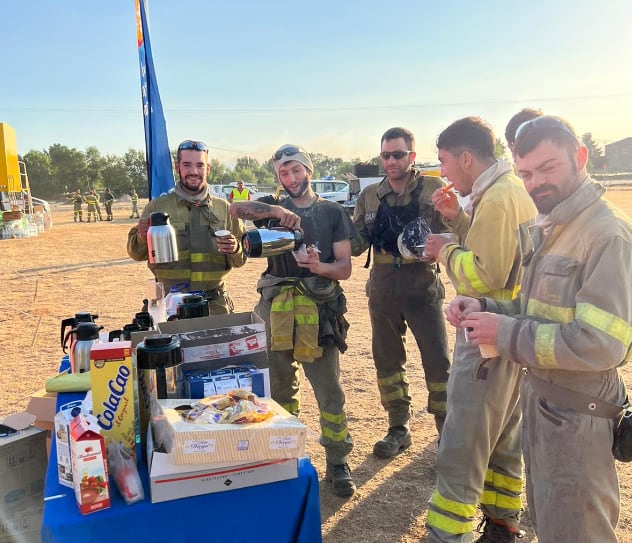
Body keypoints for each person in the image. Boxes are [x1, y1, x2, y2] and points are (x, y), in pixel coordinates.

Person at [454, 115, 632, 543]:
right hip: (547, 408)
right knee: (551, 525)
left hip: (579, 415)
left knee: (577, 532)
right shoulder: (555, 226)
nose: (537, 183)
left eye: (548, 167)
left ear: (581, 157)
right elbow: (537, 310)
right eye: (527, 173)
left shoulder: (606, 234)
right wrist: (487, 307)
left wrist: (506, 334)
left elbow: (602, 344)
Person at [423, 117, 536, 543]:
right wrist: (458, 221)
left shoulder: (497, 197)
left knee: (462, 447)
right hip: (512, 331)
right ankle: (504, 525)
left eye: (445, 162)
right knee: (505, 438)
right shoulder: (509, 191)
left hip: (486, 335)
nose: (445, 173)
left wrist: (445, 248)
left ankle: (448, 535)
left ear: (467, 158)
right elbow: (501, 255)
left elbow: (484, 275)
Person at [229, 144, 357, 497]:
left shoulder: (331, 211)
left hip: (319, 309)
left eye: (296, 170)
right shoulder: (273, 208)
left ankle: (337, 461)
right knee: (279, 388)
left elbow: (344, 267)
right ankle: (287, 455)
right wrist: (271, 209)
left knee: (328, 390)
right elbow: (234, 208)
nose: (291, 178)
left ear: (308, 171)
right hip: (276, 309)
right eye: (284, 173)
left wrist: (319, 266)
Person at [351, 127, 451, 457]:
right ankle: (398, 428)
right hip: (383, 287)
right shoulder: (370, 196)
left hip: (421, 285)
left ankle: (445, 433)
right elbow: (356, 242)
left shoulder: (434, 189)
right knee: (387, 361)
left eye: (397, 154)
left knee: (437, 364)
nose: (391, 161)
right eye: (385, 155)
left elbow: (456, 232)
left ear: (411, 155)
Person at [127, 140, 246, 315]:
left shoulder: (225, 209)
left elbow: (241, 259)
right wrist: (142, 236)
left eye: (200, 165)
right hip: (169, 307)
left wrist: (235, 248)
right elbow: (136, 254)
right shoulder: (156, 208)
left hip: (215, 307)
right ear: (177, 167)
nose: (194, 171)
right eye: (187, 165)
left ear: (208, 169)